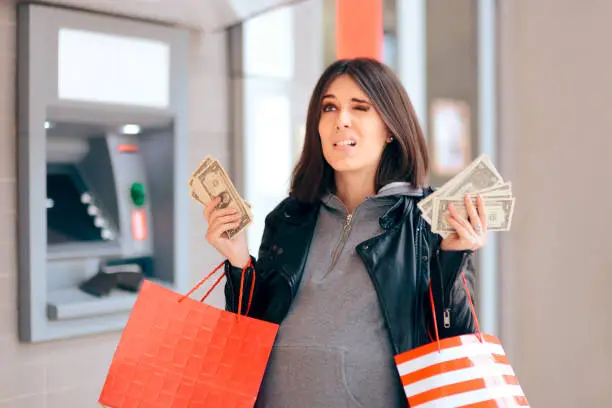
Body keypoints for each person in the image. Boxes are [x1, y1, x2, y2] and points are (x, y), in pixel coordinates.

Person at [203, 58, 487, 408]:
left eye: (360, 107)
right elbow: (247, 335)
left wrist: (453, 260)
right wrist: (237, 260)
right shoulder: (288, 218)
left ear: (390, 128)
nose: (342, 120)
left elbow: (457, 343)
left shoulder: (428, 220)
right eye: (330, 107)